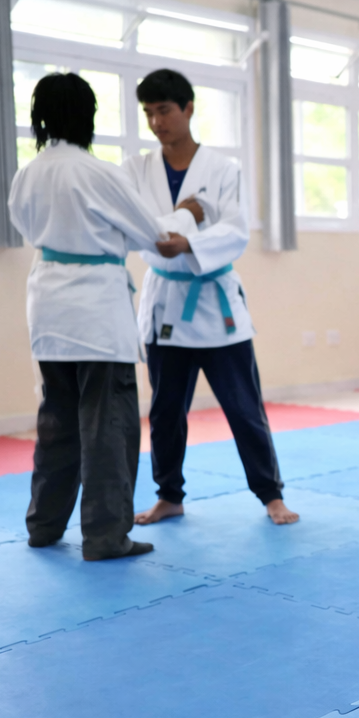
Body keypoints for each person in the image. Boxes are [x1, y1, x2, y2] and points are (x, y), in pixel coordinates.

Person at [8, 72, 179, 561]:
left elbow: (26, 226)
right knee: (108, 427)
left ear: (40, 119)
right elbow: (155, 235)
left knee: (57, 421)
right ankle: (105, 537)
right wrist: (185, 214)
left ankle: (43, 526)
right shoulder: (99, 173)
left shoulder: (28, 173)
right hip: (96, 313)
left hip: (47, 306)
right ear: (89, 117)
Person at [122, 69, 298, 528]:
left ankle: (270, 495)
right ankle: (170, 496)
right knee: (165, 412)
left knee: (244, 407)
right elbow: (142, 231)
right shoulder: (136, 169)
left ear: (188, 109)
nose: (156, 122)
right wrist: (187, 216)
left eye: (164, 110)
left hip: (217, 306)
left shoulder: (223, 169)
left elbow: (235, 230)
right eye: (148, 113)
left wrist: (187, 239)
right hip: (165, 306)